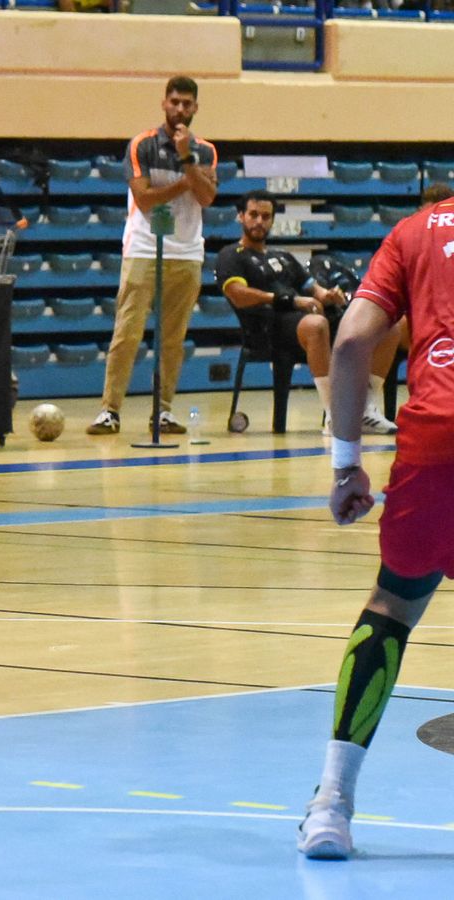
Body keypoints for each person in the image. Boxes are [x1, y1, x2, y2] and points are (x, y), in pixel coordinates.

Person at [296, 193, 454, 860]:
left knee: (392, 607)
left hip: (434, 443)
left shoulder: (415, 232)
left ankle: (331, 807)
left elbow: (353, 338)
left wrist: (346, 465)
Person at [88, 75, 217, 436]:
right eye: (174, 102)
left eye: (186, 103)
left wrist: (187, 159)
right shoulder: (142, 145)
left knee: (173, 338)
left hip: (187, 252)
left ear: (195, 108)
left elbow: (207, 198)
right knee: (127, 333)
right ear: (164, 104)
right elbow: (144, 199)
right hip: (144, 248)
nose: (180, 109)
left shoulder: (205, 151)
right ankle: (109, 410)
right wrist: (187, 181)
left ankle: (163, 410)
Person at [215, 190, 398, 435]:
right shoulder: (230, 255)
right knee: (316, 325)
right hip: (267, 326)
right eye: (253, 215)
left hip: (303, 321)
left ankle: (364, 408)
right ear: (241, 216)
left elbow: (315, 290)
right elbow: (238, 294)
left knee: (387, 327)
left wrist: (329, 295)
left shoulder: (283, 257)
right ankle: (334, 415)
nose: (259, 221)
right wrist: (287, 300)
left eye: (266, 216)